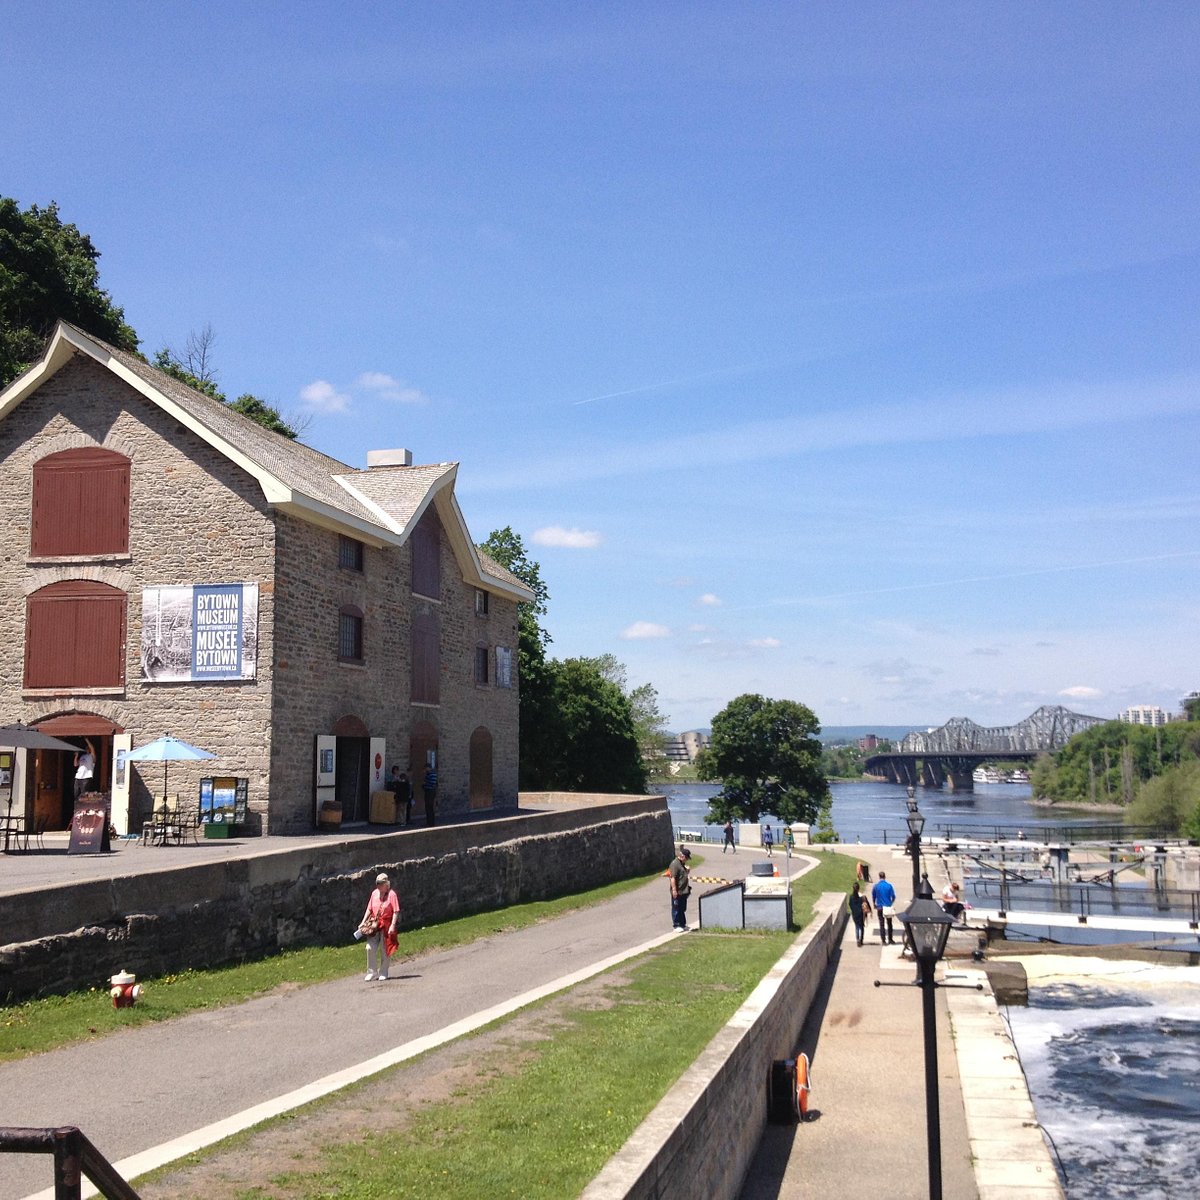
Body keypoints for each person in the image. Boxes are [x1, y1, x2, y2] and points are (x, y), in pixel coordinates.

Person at [360, 872, 400, 981]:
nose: (378, 885)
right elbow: (369, 909)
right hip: (374, 925)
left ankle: (383, 972)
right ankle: (372, 972)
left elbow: (396, 911)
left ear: (386, 884)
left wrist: (392, 925)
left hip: (386, 925)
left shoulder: (392, 895)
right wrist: (363, 922)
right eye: (377, 883)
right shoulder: (374, 894)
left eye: (381, 883)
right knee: (369, 948)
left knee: (385, 949)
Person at [668, 844, 692, 931]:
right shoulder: (675, 864)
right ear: (683, 856)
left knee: (682, 908)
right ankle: (677, 925)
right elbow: (673, 878)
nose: (687, 860)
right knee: (676, 908)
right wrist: (674, 890)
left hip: (683, 890)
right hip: (678, 890)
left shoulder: (682, 864)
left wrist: (687, 871)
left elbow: (683, 875)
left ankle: (682, 924)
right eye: (686, 858)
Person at [871, 870, 897, 945]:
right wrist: (891, 902)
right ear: (885, 877)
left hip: (880, 907)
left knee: (881, 924)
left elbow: (873, 896)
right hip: (888, 906)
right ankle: (890, 939)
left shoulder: (876, 886)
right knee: (889, 923)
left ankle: (883, 940)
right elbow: (893, 896)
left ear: (879, 877)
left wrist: (874, 904)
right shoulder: (889, 886)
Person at [848, 882, 872, 947]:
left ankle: (857, 939)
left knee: (857, 927)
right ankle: (861, 940)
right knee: (861, 927)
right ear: (858, 888)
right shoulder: (861, 897)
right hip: (861, 914)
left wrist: (853, 910)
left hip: (854, 914)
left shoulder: (851, 897)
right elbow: (864, 905)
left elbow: (850, 904)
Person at [423, 762, 438, 826]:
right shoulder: (428, 774)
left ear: (428, 768)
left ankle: (431, 822)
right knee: (428, 807)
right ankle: (429, 822)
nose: (425, 770)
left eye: (426, 768)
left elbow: (432, 783)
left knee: (430, 807)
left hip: (430, 791)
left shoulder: (432, 774)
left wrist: (425, 783)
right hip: (428, 791)